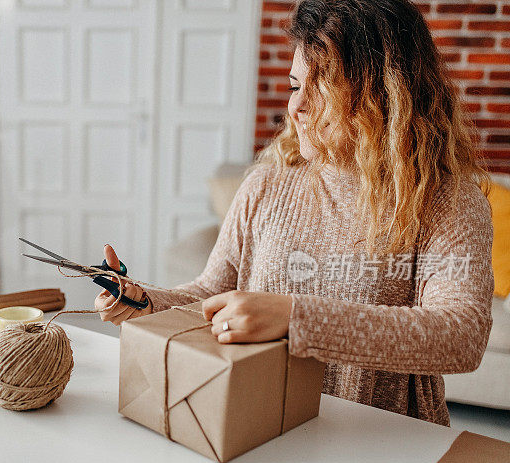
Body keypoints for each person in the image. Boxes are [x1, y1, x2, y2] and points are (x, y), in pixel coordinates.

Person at [94, 0, 494, 426]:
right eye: (293, 85)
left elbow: (460, 335)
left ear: (384, 94)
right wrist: (149, 303)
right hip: (261, 425)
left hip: (383, 444)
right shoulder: (267, 183)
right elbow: (211, 293)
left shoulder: (448, 201)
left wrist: (293, 318)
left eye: (320, 87)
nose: (296, 106)